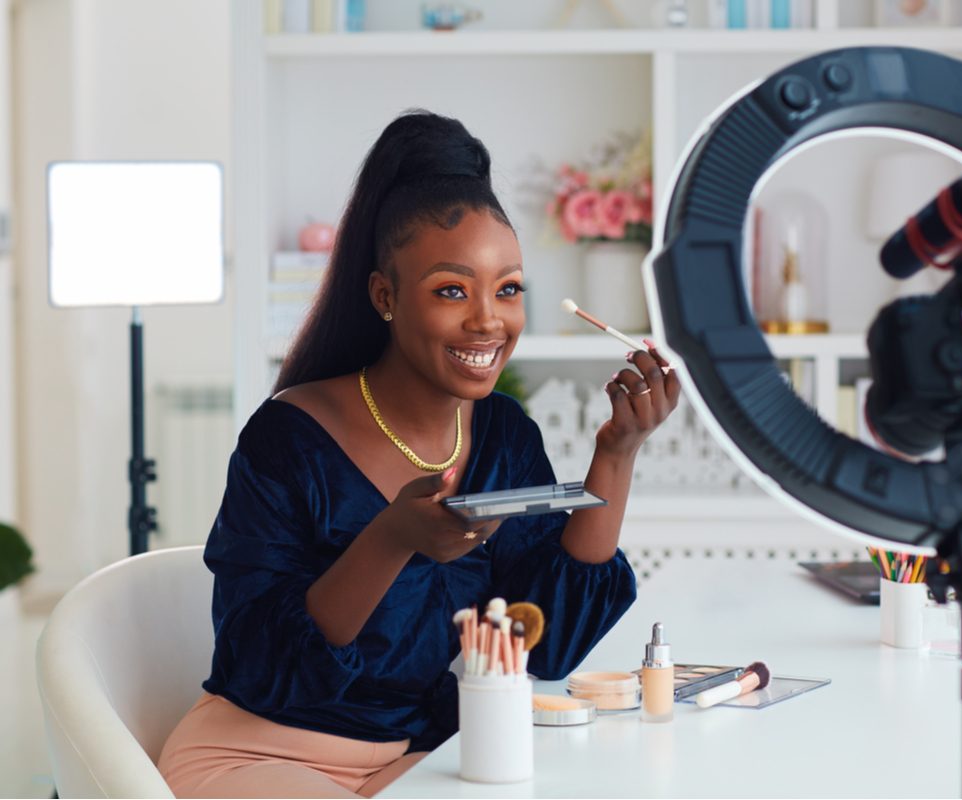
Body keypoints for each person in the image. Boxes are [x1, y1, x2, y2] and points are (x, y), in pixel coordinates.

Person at [157, 110, 680, 798]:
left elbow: (546, 646)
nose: (488, 320)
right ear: (385, 295)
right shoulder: (288, 439)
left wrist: (617, 452)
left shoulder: (503, 435)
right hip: (264, 757)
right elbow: (260, 664)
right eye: (452, 290)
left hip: (424, 760)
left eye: (509, 289)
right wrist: (391, 539)